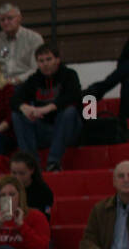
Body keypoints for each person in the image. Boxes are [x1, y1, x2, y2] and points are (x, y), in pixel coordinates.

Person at [11, 44, 82, 173]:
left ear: (57, 60)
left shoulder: (69, 75)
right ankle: (31, 164)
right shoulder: (34, 79)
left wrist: (48, 108)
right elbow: (15, 99)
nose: (45, 64)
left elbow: (74, 96)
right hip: (44, 130)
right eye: (41, 61)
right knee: (17, 115)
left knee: (69, 112)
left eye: (49, 59)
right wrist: (24, 108)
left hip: (67, 130)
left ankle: (53, 162)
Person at [0, 2, 44, 85]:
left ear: (19, 18)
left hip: (26, 83)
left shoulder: (34, 38)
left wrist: (16, 80)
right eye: (2, 20)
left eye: (10, 18)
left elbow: (37, 69)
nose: (6, 22)